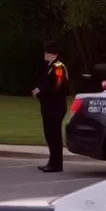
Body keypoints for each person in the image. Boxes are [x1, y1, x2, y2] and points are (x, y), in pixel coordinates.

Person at [34, 40, 70, 173]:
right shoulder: (49, 67)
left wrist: (41, 92)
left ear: (53, 54)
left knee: (54, 135)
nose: (45, 54)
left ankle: (56, 163)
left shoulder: (58, 67)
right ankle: (52, 160)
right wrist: (39, 90)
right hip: (48, 105)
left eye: (47, 52)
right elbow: (46, 84)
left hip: (55, 107)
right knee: (49, 134)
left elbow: (58, 86)